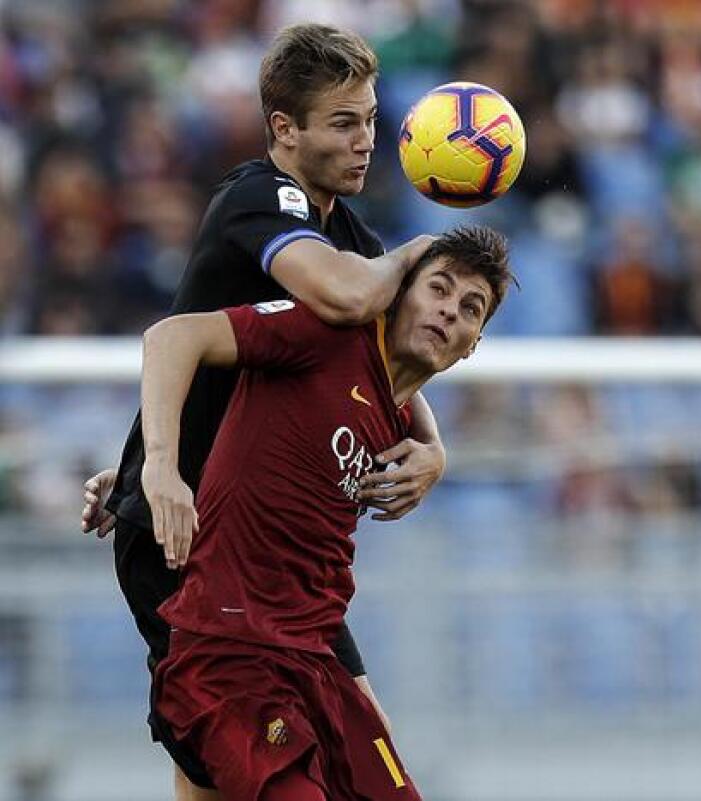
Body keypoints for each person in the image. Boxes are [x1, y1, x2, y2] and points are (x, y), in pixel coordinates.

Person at [78, 23, 446, 799]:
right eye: (344, 123)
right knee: (247, 758)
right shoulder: (261, 199)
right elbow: (342, 296)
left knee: (298, 745)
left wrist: (434, 447)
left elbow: (384, 363)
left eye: (372, 119)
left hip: (269, 550)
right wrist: (160, 469)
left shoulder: (349, 231)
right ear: (285, 128)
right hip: (187, 542)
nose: (366, 141)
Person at [145, 225, 511, 801]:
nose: (449, 312)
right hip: (231, 654)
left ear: (472, 345)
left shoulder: (399, 423)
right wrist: (157, 467)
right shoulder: (326, 335)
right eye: (438, 289)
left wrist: (437, 448)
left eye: (470, 309)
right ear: (398, 294)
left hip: (316, 665)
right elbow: (172, 338)